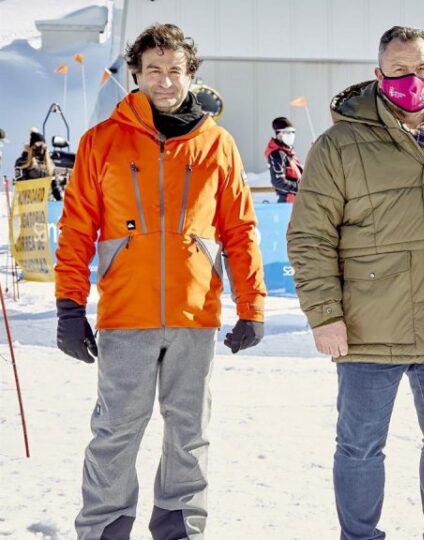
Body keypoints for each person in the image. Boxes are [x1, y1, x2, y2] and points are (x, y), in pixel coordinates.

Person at [286, 25, 424, 540]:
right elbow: (310, 238)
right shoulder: (339, 144)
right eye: (401, 70)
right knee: (361, 446)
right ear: (379, 74)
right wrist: (325, 315)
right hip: (368, 327)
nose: (413, 79)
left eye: (423, 69)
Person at [54, 23, 266, 540]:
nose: (165, 80)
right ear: (136, 74)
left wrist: (252, 308)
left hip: (196, 316)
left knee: (189, 434)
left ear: (191, 74)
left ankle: (180, 528)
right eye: (154, 70)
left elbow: (239, 227)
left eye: (175, 71)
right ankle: (105, 528)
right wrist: (68, 306)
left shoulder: (217, 144)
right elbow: (78, 226)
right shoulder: (101, 141)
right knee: (115, 432)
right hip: (127, 313)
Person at [265, 116, 302, 202]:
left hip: (298, 201)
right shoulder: (276, 154)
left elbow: (300, 175)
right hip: (287, 202)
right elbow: (278, 181)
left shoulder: (289, 153)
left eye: (293, 132)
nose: (292, 135)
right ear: (279, 134)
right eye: (288, 132)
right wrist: (300, 187)